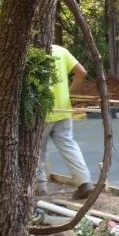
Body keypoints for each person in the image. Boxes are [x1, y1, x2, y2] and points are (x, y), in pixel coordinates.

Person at [37, 44, 94, 200]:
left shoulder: (32, 51)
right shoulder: (61, 51)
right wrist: (67, 93)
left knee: (37, 151)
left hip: (41, 112)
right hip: (63, 110)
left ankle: (39, 189)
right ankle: (84, 182)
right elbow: (81, 73)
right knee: (68, 145)